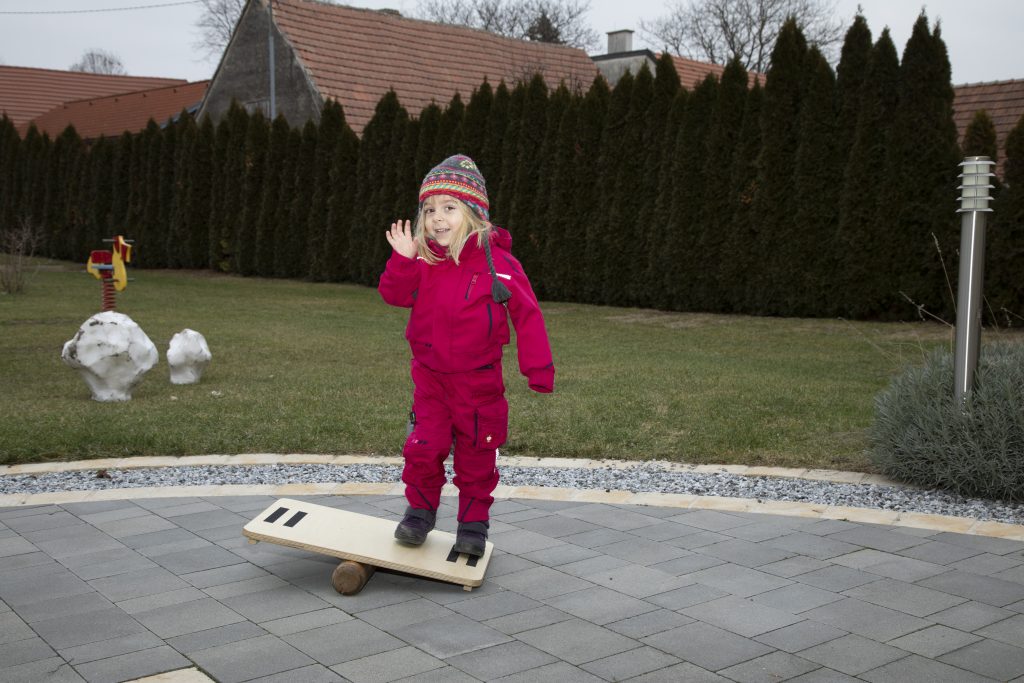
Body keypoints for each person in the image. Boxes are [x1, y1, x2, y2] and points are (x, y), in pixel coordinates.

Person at [378, 154, 555, 556]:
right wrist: (402, 260)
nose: (437, 218)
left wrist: (539, 369)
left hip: (479, 383)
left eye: (449, 208)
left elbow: (528, 316)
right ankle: (419, 513)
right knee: (424, 446)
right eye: (429, 209)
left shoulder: (502, 266)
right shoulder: (422, 261)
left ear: (475, 214)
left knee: (478, 453)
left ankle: (473, 524)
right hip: (431, 380)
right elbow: (394, 295)